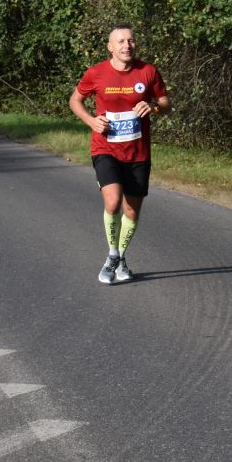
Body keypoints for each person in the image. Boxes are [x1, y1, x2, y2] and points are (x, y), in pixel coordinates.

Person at [69, 23, 170, 284]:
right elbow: (75, 100)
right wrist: (91, 121)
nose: (127, 45)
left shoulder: (148, 71)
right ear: (110, 47)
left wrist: (153, 107)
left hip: (138, 153)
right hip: (106, 148)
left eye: (131, 40)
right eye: (121, 41)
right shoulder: (96, 73)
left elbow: (165, 102)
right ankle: (112, 255)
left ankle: (121, 257)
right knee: (113, 201)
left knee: (132, 211)